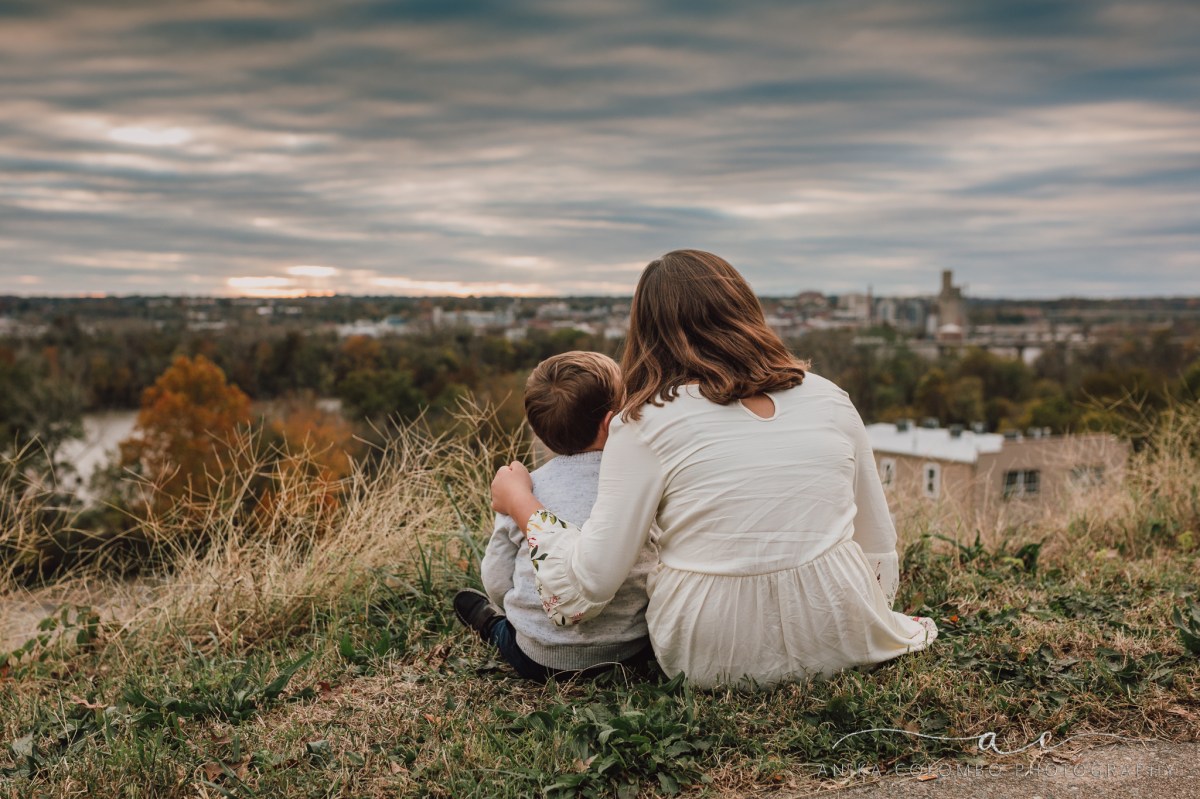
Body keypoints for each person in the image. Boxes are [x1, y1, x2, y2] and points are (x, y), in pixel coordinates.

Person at [491, 250, 937, 689]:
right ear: (746, 309)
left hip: (710, 654)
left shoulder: (643, 422)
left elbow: (592, 579)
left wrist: (522, 502)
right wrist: (862, 616)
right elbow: (878, 543)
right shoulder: (830, 397)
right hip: (843, 628)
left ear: (648, 332)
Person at [454, 351, 657, 681]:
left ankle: (491, 625)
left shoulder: (524, 489)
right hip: (628, 653)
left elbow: (496, 578)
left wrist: (515, 609)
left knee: (505, 631)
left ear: (537, 429)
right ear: (611, 422)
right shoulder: (635, 484)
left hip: (538, 657)